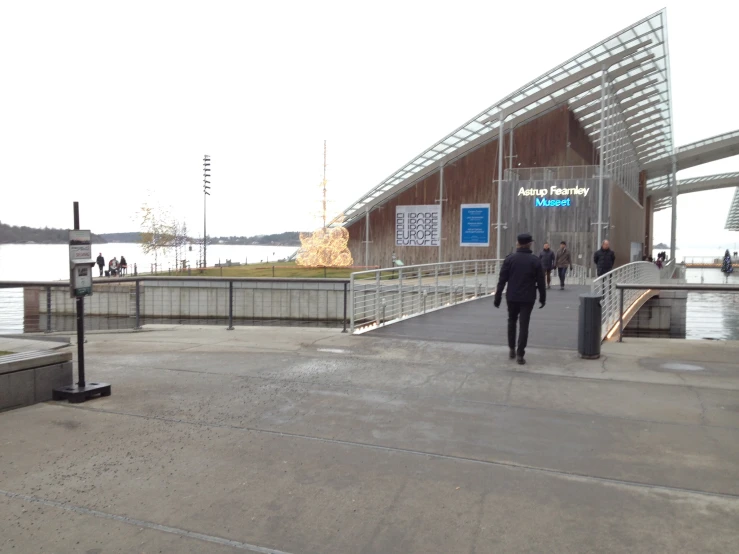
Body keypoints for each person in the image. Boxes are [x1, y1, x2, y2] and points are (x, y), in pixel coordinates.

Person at [494, 232, 546, 365]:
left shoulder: (510, 259)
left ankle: (511, 348)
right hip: (528, 298)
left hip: (512, 296)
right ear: (529, 244)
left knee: (511, 321)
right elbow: (541, 281)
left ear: (518, 243)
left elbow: (502, 279)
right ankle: (520, 354)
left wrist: (498, 296)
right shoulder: (535, 260)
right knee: (524, 325)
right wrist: (542, 297)